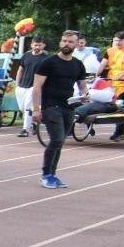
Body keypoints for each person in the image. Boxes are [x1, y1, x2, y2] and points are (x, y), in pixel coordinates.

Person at [29, 33, 87, 188]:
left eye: (70, 42)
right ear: (60, 42)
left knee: (60, 142)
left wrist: (85, 95)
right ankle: (46, 174)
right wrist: (36, 109)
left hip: (68, 106)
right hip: (50, 106)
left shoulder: (78, 64)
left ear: (76, 44)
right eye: (64, 41)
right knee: (57, 139)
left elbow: (83, 85)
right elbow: (37, 87)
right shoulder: (48, 63)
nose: (67, 44)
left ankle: (53, 174)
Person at [104, 33, 124, 140]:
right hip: (112, 83)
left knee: (119, 107)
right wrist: (96, 75)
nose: (117, 43)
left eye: (120, 40)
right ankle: (120, 132)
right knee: (112, 106)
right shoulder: (110, 51)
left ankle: (119, 132)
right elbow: (103, 63)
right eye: (115, 40)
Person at [13, 36, 48, 137]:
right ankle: (33, 122)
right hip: (23, 85)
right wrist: (17, 83)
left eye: (39, 45)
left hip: (35, 86)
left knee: (28, 106)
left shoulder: (45, 59)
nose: (37, 47)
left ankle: (25, 129)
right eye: (35, 45)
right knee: (23, 108)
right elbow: (20, 69)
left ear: (43, 46)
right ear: (32, 45)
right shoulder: (26, 56)